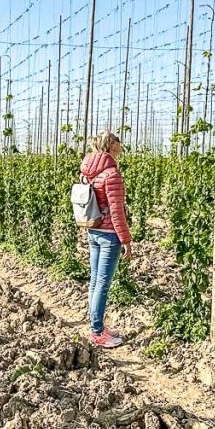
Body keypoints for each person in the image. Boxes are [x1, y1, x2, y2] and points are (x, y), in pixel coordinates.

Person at [79, 130, 131, 348]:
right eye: (118, 141)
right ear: (111, 145)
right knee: (102, 283)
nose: (121, 144)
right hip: (110, 234)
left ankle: (96, 325)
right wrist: (126, 239)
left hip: (93, 229)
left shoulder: (88, 172)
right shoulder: (112, 175)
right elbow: (117, 211)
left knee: (95, 280)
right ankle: (97, 332)